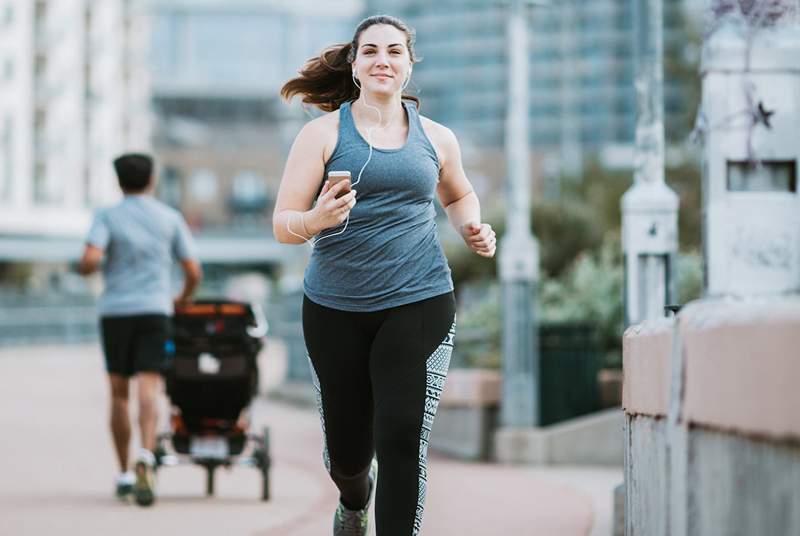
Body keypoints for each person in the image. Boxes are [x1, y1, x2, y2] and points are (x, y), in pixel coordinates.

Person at [274, 15, 496, 536]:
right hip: (334, 307)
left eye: (394, 51)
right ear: (354, 65)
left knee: (402, 439)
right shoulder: (322, 135)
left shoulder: (437, 138)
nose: (383, 60)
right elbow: (284, 224)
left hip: (419, 298)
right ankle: (355, 498)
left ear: (409, 64)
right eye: (370, 51)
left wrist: (472, 227)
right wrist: (315, 220)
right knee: (349, 454)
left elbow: (459, 193)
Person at [78, 153, 202, 506]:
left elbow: (89, 260)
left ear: (119, 182)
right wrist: (182, 298)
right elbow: (194, 271)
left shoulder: (107, 216)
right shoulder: (169, 218)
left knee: (119, 392)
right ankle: (147, 455)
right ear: (152, 180)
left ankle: (124, 474)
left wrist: (90, 268)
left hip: (116, 312)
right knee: (150, 385)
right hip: (154, 309)